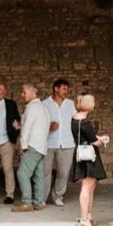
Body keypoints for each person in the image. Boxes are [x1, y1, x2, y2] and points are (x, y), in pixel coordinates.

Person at [70, 93, 109, 226]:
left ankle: (88, 216)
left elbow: (84, 137)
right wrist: (103, 139)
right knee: (87, 187)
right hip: (89, 156)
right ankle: (84, 219)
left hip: (80, 153)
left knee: (90, 186)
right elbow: (95, 142)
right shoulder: (85, 122)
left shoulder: (74, 119)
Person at [14, 83, 50, 212]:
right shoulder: (43, 108)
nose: (22, 95)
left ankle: (26, 203)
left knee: (22, 174)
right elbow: (42, 127)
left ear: (32, 92)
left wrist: (23, 146)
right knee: (38, 175)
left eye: (24, 92)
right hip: (41, 146)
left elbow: (28, 128)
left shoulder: (32, 108)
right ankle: (39, 202)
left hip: (32, 145)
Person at [42, 78, 76, 207]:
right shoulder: (45, 104)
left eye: (67, 89)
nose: (66, 91)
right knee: (45, 172)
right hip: (48, 143)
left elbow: (76, 120)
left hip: (67, 143)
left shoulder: (71, 104)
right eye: (64, 89)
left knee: (63, 172)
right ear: (56, 89)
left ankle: (58, 196)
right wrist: (48, 125)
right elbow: (39, 122)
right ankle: (42, 198)